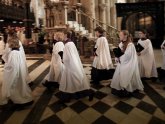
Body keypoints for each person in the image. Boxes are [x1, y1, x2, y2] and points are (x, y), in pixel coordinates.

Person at [59, 31, 94, 102]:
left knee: (76, 81)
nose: (61, 37)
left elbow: (67, 58)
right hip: (73, 64)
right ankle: (68, 96)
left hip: (70, 66)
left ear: (66, 35)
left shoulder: (67, 45)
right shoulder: (71, 43)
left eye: (62, 35)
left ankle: (89, 93)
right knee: (73, 81)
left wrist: (62, 58)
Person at [0, 37, 33, 109]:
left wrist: (6, 69)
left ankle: (20, 102)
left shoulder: (13, 53)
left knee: (14, 88)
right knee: (19, 88)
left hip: (14, 75)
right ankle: (20, 101)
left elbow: (12, 66)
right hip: (19, 73)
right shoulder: (18, 52)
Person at [111, 30, 144, 98]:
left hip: (128, 64)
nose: (119, 36)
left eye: (120, 35)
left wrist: (119, 57)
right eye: (119, 35)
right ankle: (120, 89)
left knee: (127, 76)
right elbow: (119, 52)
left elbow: (127, 56)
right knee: (120, 76)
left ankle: (128, 90)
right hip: (122, 63)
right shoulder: (121, 43)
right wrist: (117, 56)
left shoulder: (130, 45)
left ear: (125, 36)